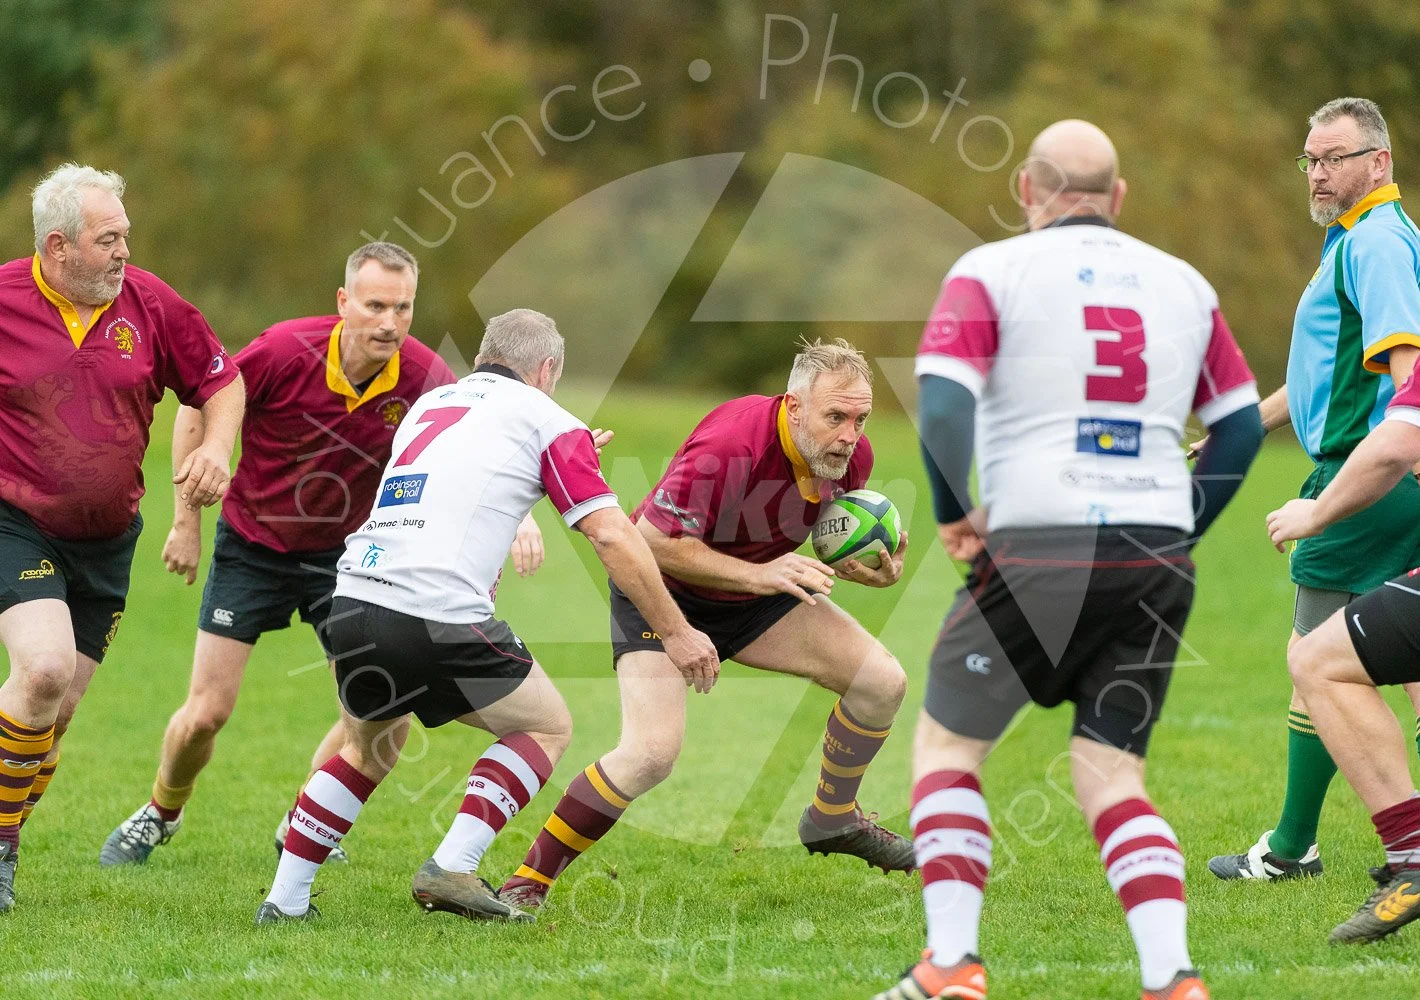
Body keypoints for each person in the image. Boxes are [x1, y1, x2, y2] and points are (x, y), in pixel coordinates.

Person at [877, 120, 1263, 1000]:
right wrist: (1180, 522)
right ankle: (1171, 977)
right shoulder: (1186, 285)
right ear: (1117, 198)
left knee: (946, 748)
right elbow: (1239, 425)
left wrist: (952, 516)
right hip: (1155, 553)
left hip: (1036, 543)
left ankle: (951, 964)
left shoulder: (990, 272)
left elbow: (941, 413)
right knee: (1112, 772)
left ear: (1027, 189)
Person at [255, 308, 718, 923]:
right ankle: (453, 866)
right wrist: (678, 631)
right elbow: (611, 535)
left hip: (354, 596)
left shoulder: (432, 404)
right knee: (545, 726)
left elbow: (468, 473)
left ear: (484, 357)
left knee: (367, 750)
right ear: (547, 369)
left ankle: (284, 902)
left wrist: (564, 453)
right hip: (436, 611)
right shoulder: (549, 419)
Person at [98, 243, 550, 867]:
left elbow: (481, 439)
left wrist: (524, 513)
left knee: (379, 715)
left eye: (403, 308)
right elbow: (200, 408)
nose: (389, 323)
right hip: (253, 546)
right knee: (207, 713)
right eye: (374, 306)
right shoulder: (285, 349)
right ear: (344, 303)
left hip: (348, 561)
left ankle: (302, 820)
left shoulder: (423, 376)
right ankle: (161, 811)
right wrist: (186, 523)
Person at [495, 337, 915, 914]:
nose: (850, 435)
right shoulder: (732, 442)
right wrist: (760, 577)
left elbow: (829, 539)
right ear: (793, 406)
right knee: (650, 753)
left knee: (882, 682)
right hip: (661, 592)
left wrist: (871, 571)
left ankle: (833, 819)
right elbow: (651, 543)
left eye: (860, 419)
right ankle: (527, 881)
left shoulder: (848, 459)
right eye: (835, 417)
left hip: (753, 592)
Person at [1207, 97, 1420, 887]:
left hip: (1383, 470)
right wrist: (1247, 426)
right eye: (1311, 160)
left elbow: (1406, 373)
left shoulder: (1377, 245)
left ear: (1379, 162)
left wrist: (1419, 467)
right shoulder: (1371, 239)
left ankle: (1295, 848)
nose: (1318, 174)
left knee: (1315, 656)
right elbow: (1329, 372)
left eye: (1334, 158)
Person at [0, 164, 244, 914]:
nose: (124, 253)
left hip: (107, 539)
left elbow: (222, 382)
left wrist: (214, 449)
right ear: (58, 246)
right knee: (39, 673)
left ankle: (5, 837)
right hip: (15, 520)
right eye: (109, 240)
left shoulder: (151, 304)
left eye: (126, 236)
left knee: (57, 711)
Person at [1261, 205, 1420, 942]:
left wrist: (1317, 512)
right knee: (1405, 657)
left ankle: (1415, 857)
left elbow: (1396, 439)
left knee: (1319, 658)